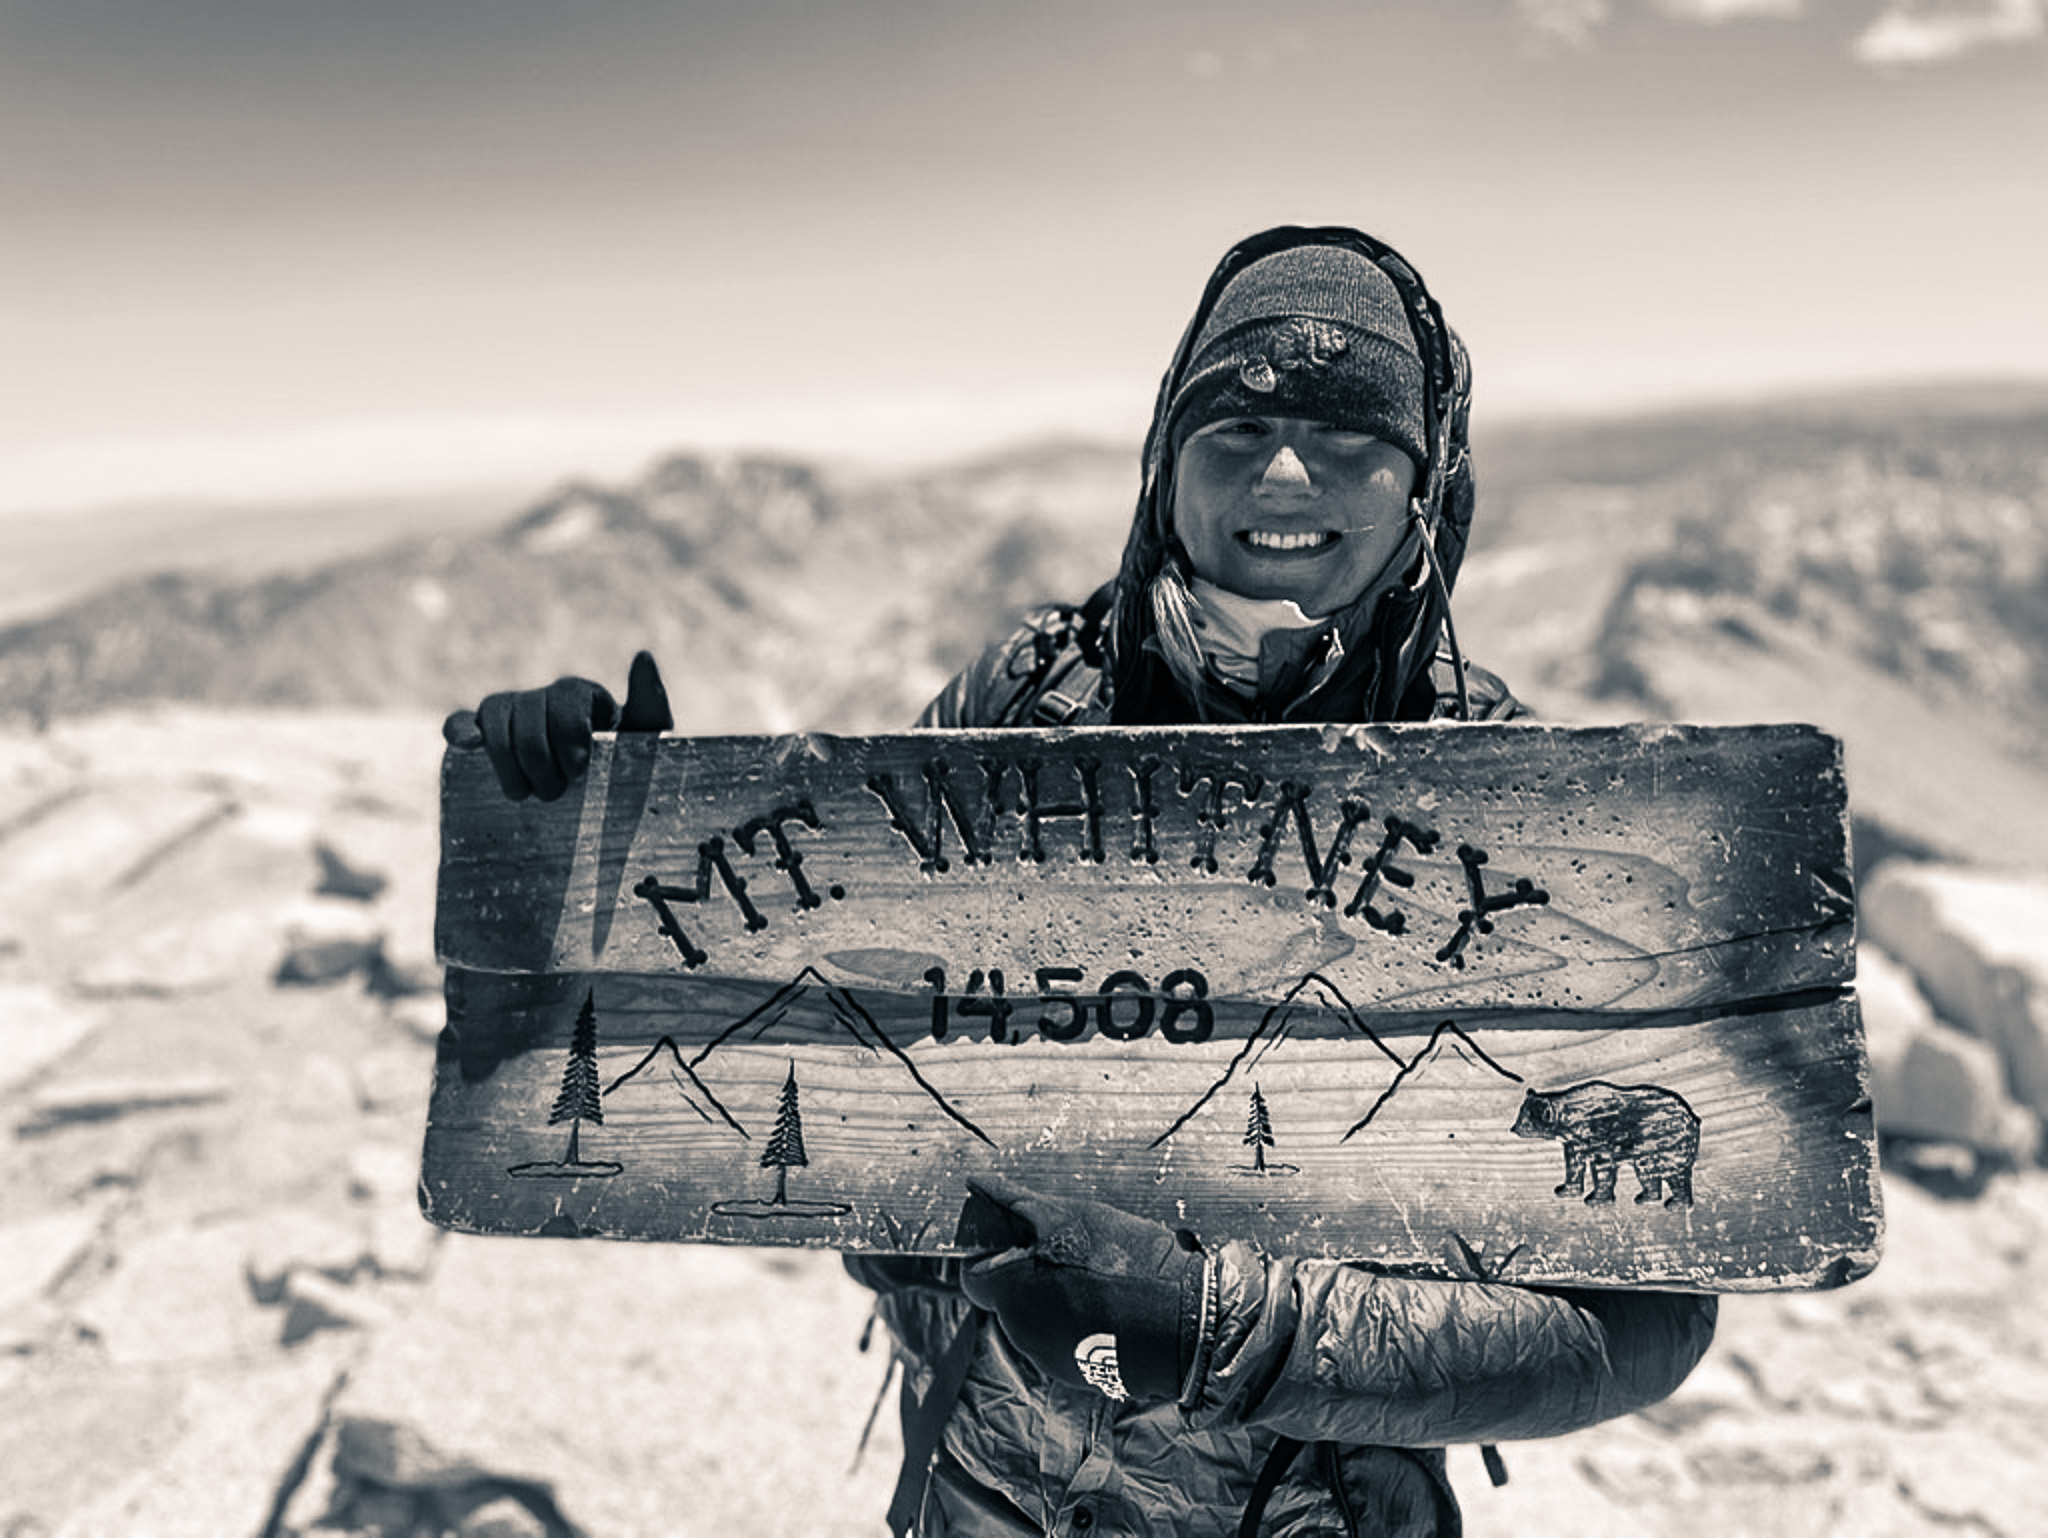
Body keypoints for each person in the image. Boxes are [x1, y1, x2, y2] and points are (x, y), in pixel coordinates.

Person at [454, 226, 1717, 1537]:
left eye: (1351, 439)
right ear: (1165, 471)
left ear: (1426, 484)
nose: (1284, 470)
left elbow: (1652, 1312)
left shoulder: (1520, 797)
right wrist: (616, 829)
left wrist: (1246, 1332)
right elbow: (831, 994)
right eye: (1232, 431)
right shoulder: (1026, 702)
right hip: (985, 1482)